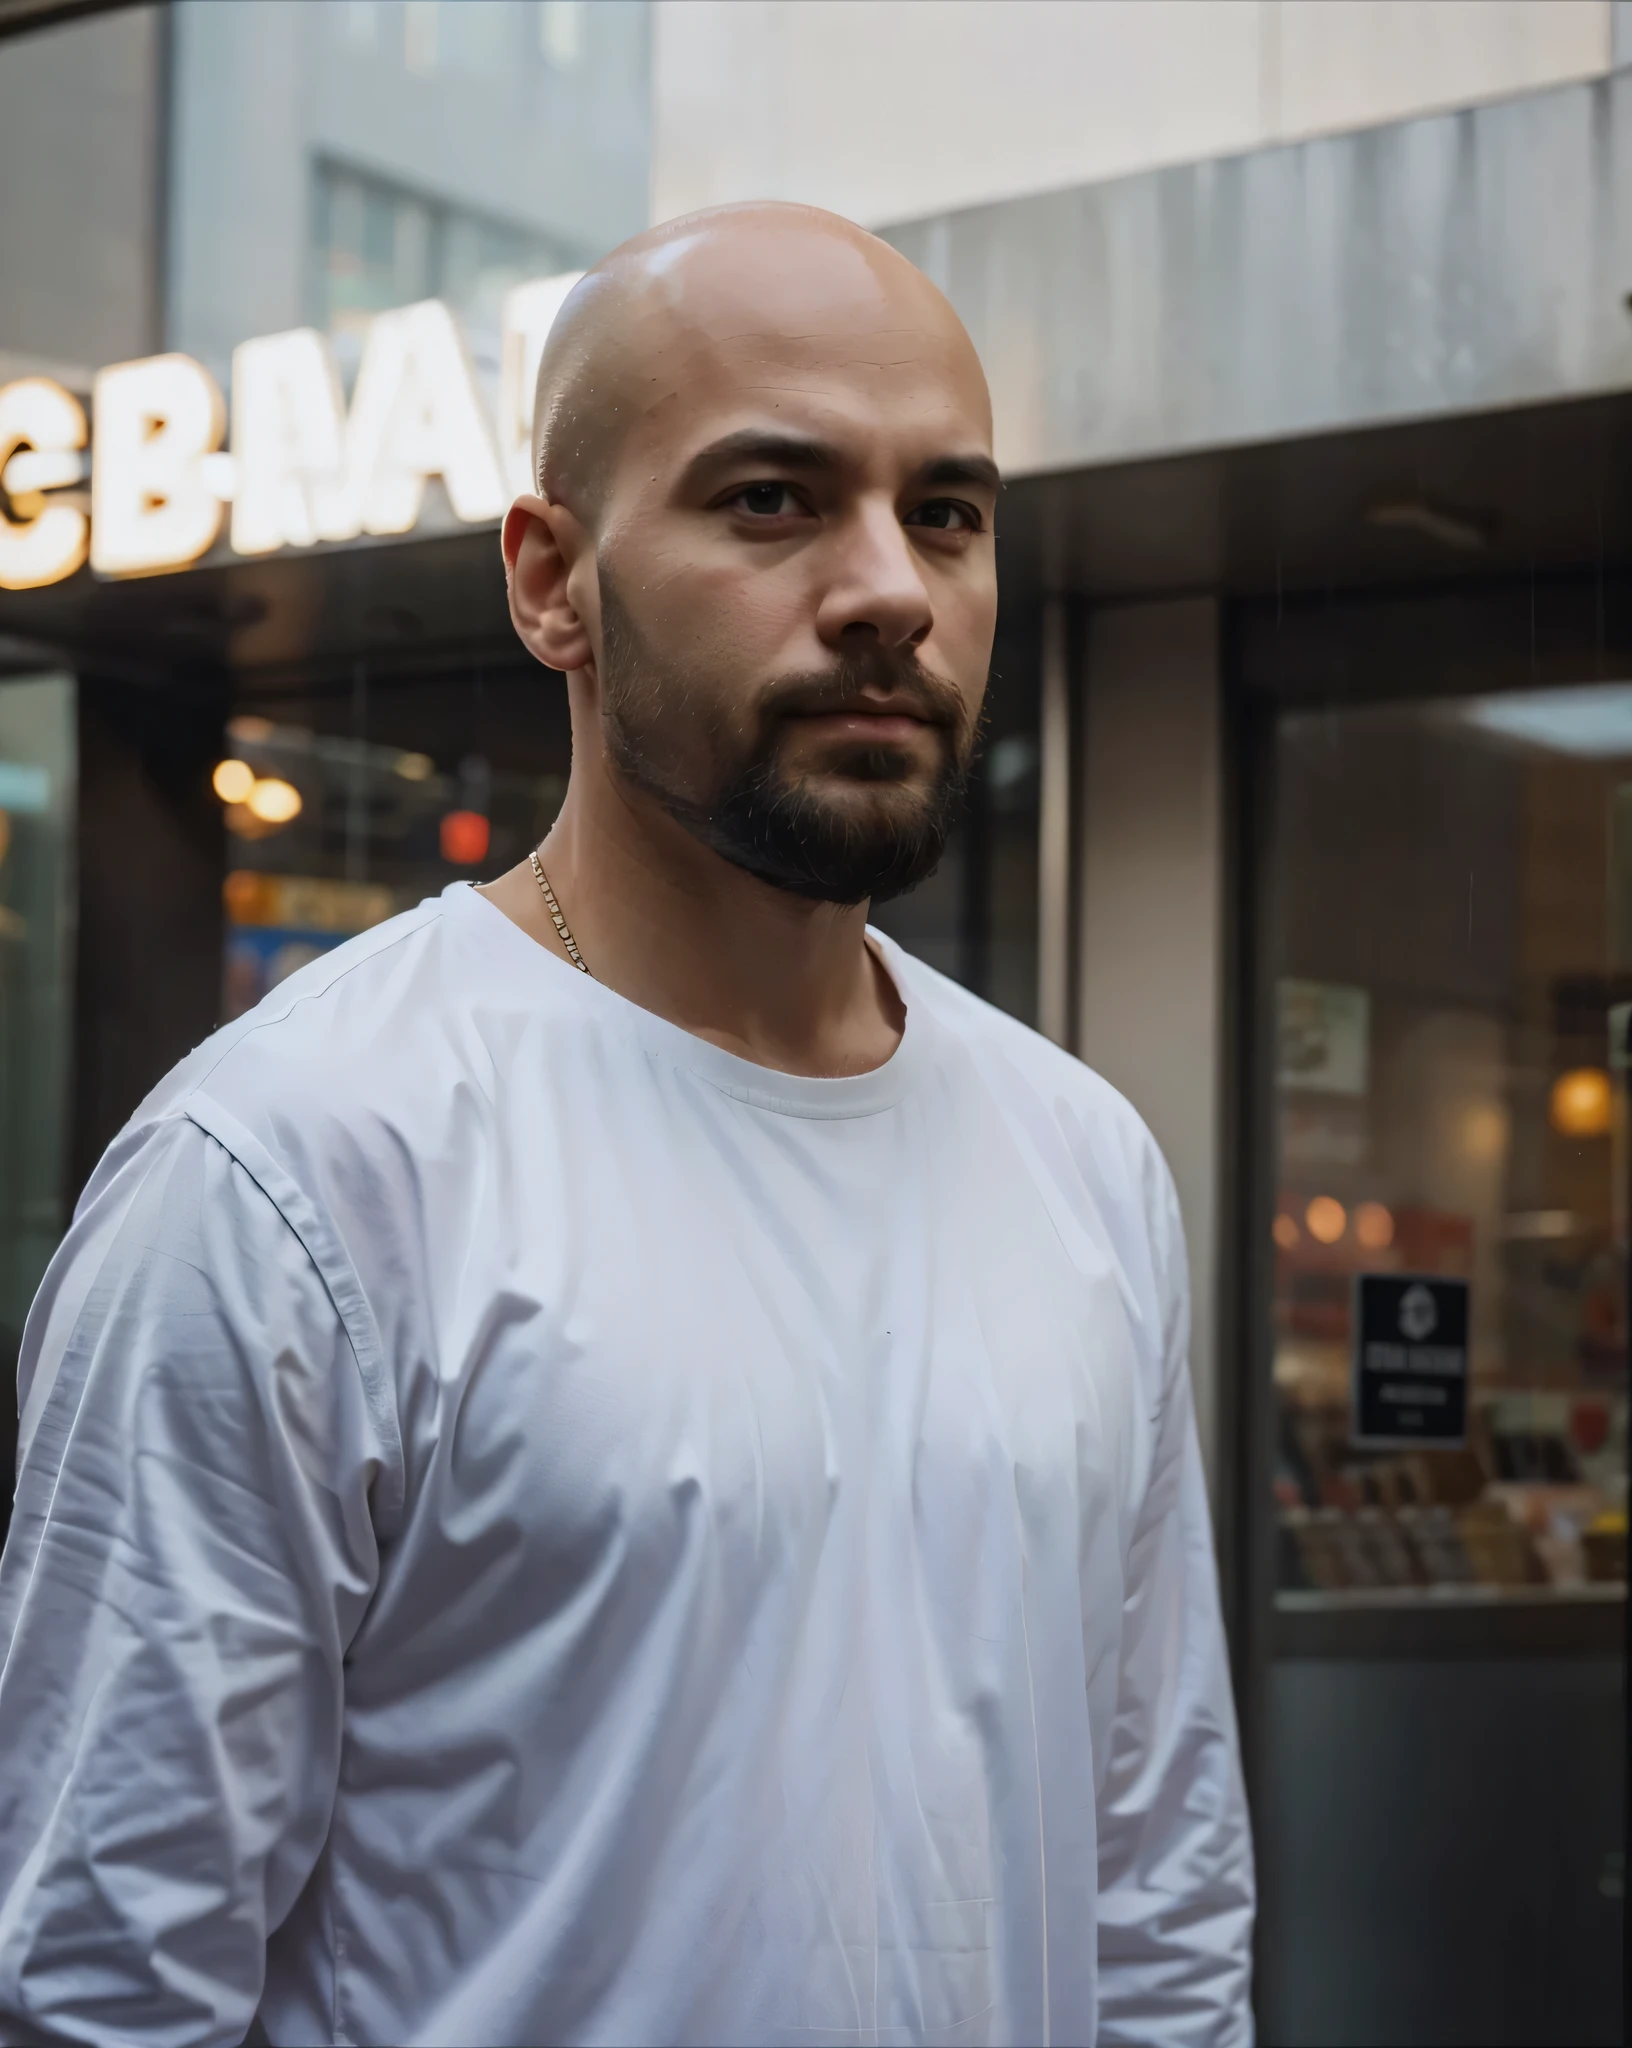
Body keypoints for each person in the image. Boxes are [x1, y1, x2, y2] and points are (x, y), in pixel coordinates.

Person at [0, 204, 1252, 2046]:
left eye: (948, 512)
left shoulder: (1085, 1162)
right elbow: (110, 1977)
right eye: (771, 498)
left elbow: (1156, 1893)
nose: (890, 586)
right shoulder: (294, 1171)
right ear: (549, 581)